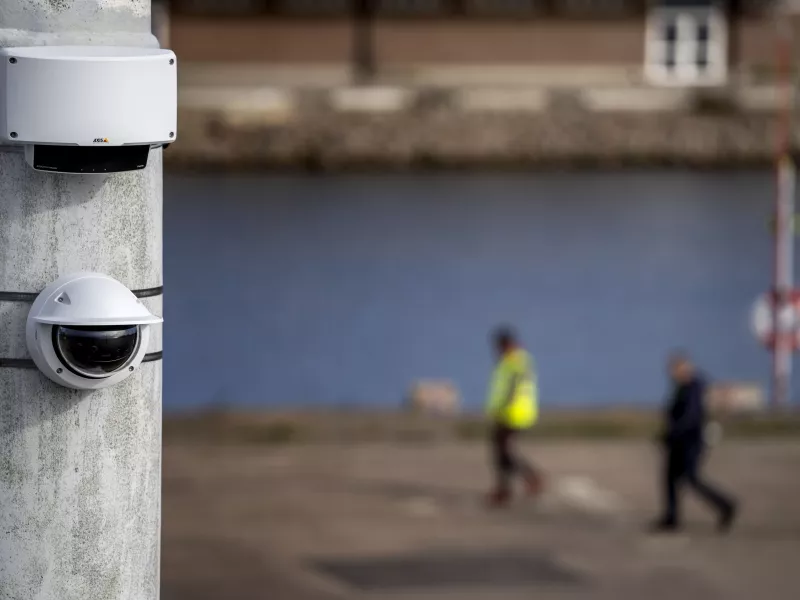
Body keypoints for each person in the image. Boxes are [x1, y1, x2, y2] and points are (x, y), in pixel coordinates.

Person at [652, 352, 738, 533]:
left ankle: (725, 504)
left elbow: (690, 418)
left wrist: (672, 433)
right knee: (670, 479)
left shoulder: (693, 388)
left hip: (689, 442)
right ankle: (671, 517)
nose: (672, 373)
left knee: (692, 479)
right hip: (678, 441)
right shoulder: (682, 387)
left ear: (685, 368)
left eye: (676, 369)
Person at [485, 326, 543, 507]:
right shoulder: (510, 360)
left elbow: (514, 385)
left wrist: (505, 406)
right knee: (502, 451)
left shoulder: (516, 360)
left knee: (504, 451)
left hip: (514, 413)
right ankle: (514, 484)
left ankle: (516, 485)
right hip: (507, 412)